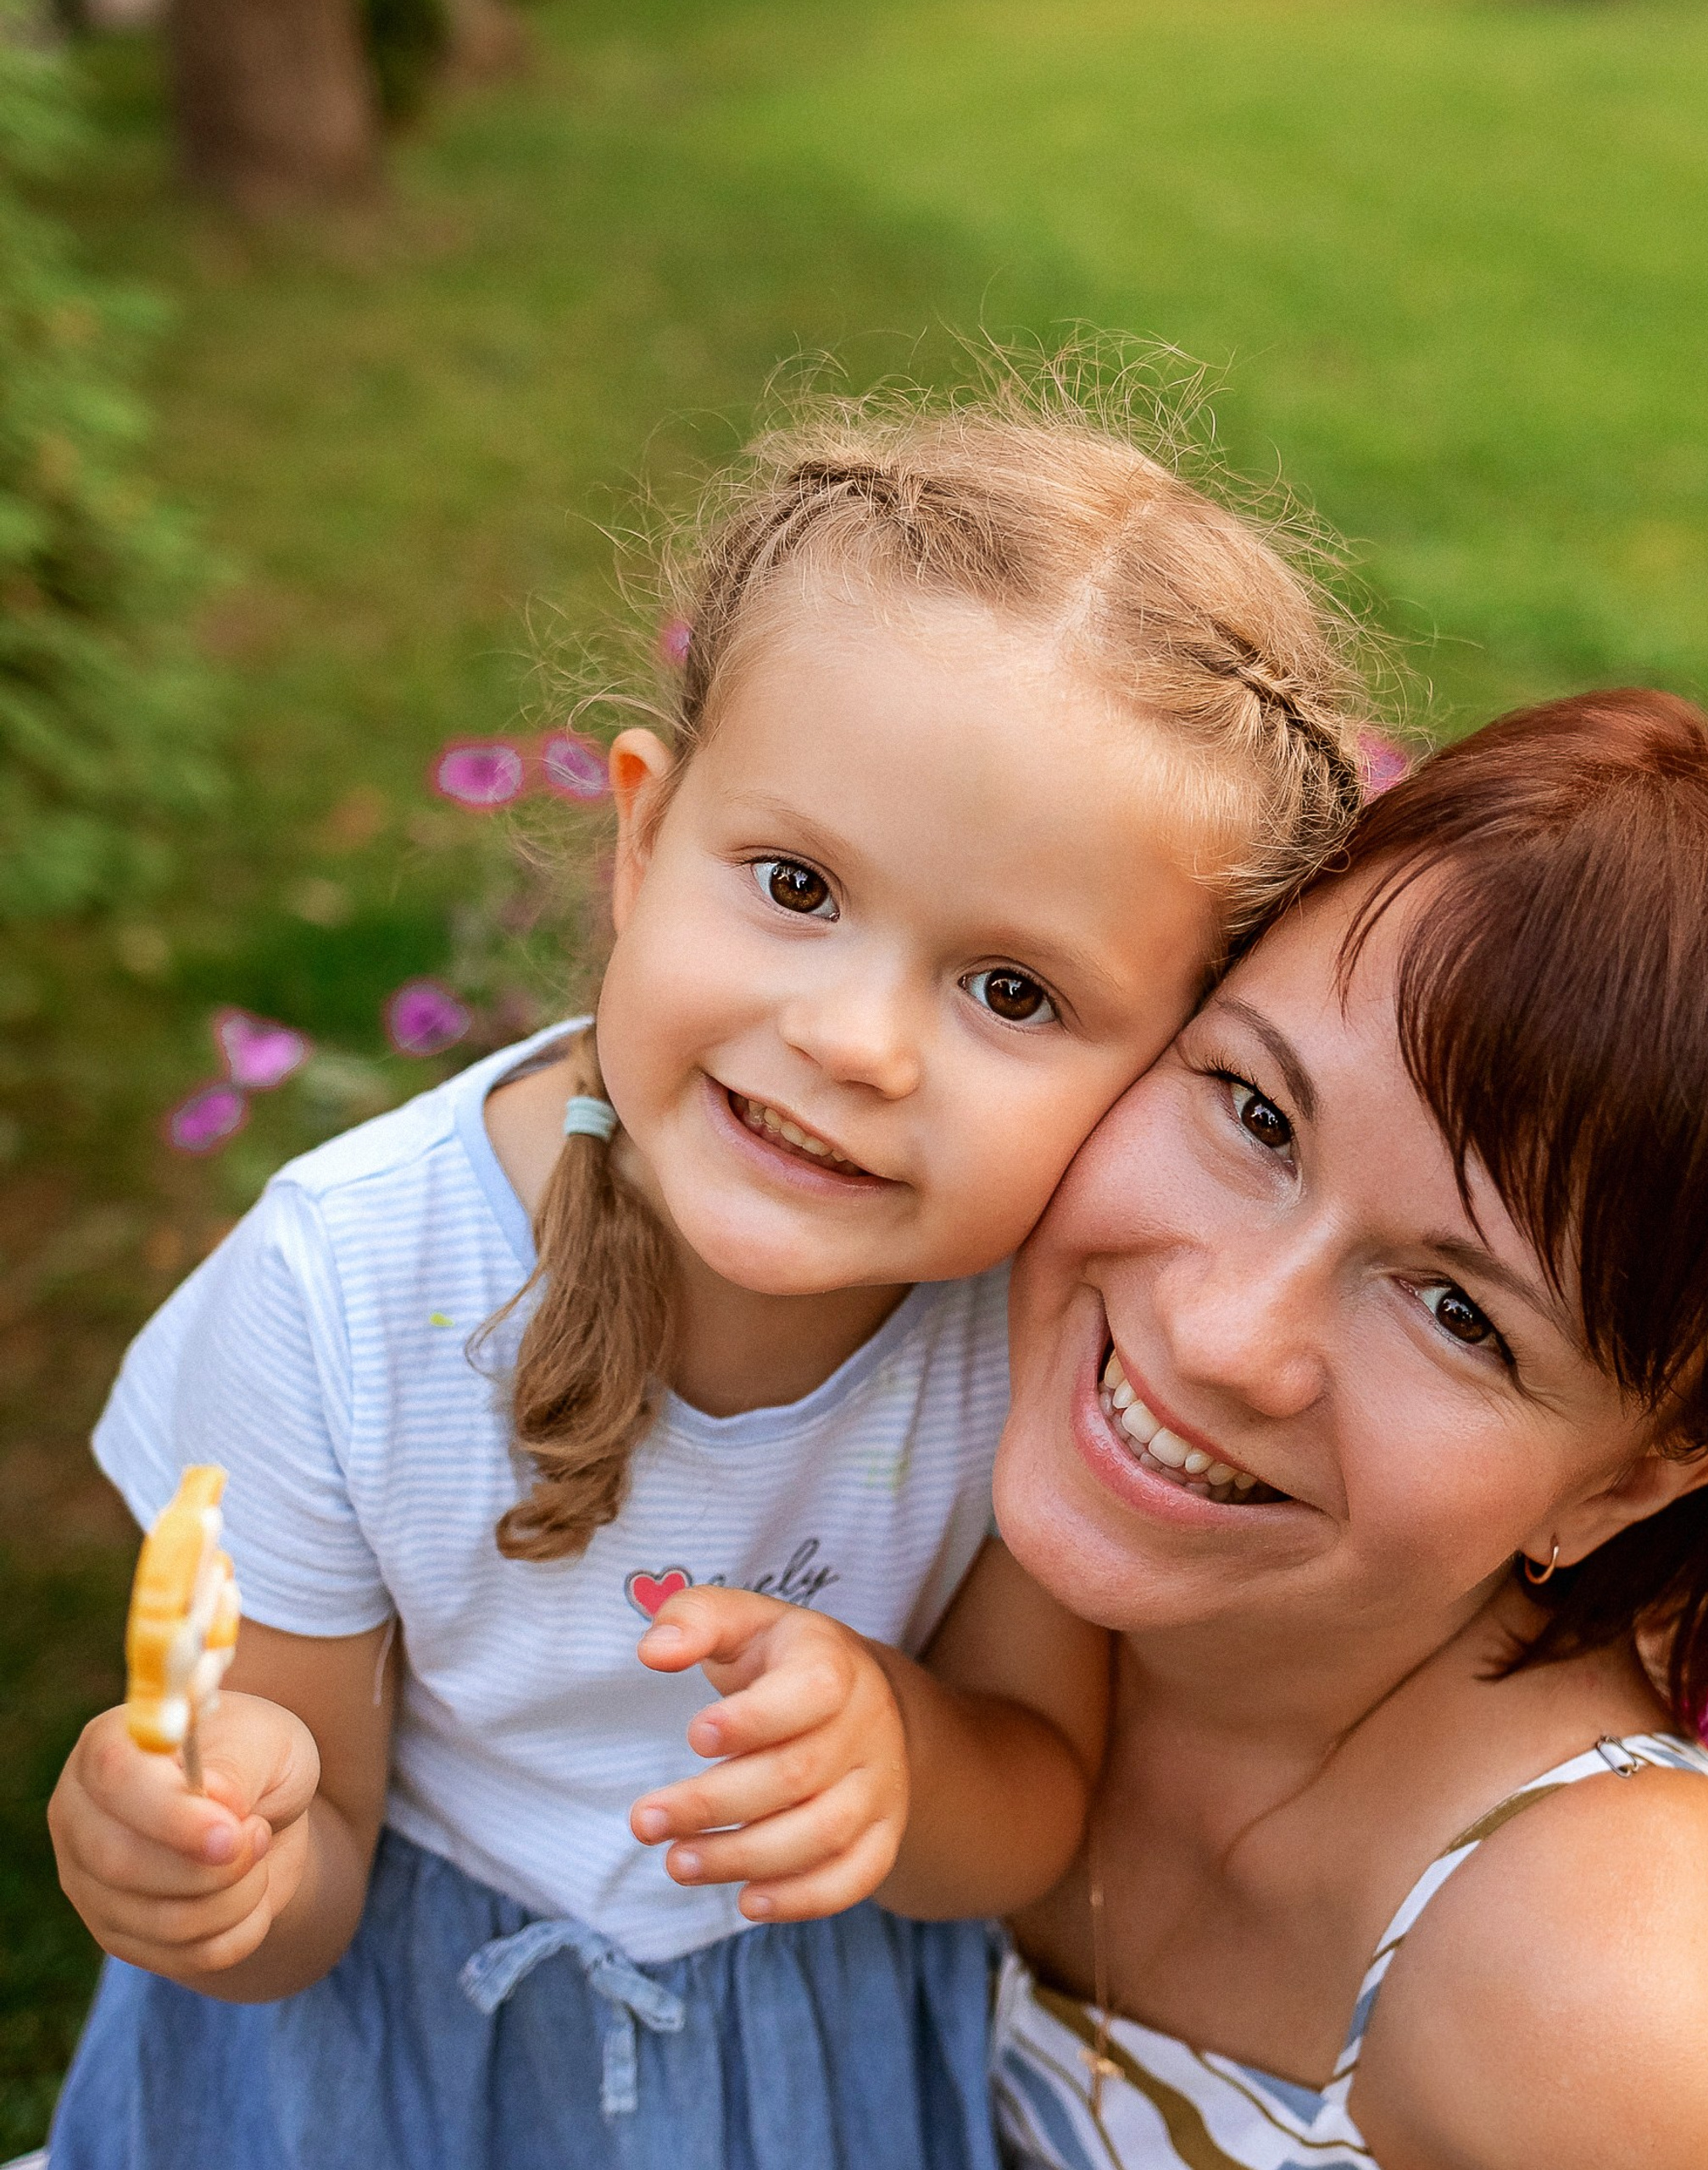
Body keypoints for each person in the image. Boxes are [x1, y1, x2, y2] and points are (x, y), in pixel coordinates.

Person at [41, 381, 1374, 2170]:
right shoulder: (343, 1290)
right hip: (368, 2071)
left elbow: (1030, 1798)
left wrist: (902, 1762)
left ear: (1158, 1063)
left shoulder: (1026, 1331)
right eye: (795, 882)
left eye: (1011, 991)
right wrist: (209, 1864)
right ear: (642, 836)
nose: (855, 1039)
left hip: (791, 2070)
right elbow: (303, 1860)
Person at [987, 691, 1708, 2170]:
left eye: (1462, 1316)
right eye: (1258, 1114)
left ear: (1637, 1476)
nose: (1224, 1337)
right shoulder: (886, 1429)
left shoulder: (1633, 2022)